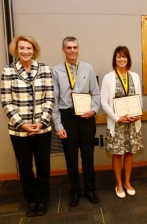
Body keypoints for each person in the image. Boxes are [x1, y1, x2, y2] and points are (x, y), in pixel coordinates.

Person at [0, 35, 54, 217]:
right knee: (25, 167)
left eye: (29, 48)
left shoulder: (45, 69)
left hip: (42, 128)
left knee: (43, 166)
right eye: (22, 48)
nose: (25, 51)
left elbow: (50, 98)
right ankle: (31, 201)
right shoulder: (8, 71)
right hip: (18, 130)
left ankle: (42, 200)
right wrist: (22, 124)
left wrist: (42, 122)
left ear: (34, 50)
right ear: (16, 50)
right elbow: (6, 102)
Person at [52, 36, 100, 206]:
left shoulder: (88, 68)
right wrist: (58, 125)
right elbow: (54, 100)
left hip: (86, 117)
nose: (72, 50)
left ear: (79, 49)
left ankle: (90, 189)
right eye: (69, 47)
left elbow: (96, 93)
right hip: (67, 117)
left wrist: (93, 110)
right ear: (63, 50)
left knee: (88, 156)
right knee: (71, 157)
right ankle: (75, 191)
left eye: (75, 47)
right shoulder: (56, 71)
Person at [101, 46, 143, 198]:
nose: (121, 59)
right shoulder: (108, 78)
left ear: (128, 59)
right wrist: (117, 118)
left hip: (132, 122)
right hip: (117, 123)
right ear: (115, 59)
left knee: (130, 152)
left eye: (124, 56)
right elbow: (104, 102)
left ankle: (127, 181)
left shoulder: (135, 76)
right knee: (117, 154)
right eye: (118, 56)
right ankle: (118, 183)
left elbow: (138, 99)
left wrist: (137, 114)